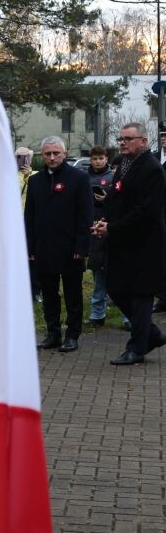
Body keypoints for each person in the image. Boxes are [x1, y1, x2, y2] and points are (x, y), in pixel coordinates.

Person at [92, 122, 166, 365]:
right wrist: (104, 221)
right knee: (116, 289)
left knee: (140, 295)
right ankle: (152, 335)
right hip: (122, 243)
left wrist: (112, 228)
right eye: (121, 139)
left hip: (144, 245)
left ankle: (136, 348)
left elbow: (146, 211)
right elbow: (116, 198)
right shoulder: (124, 165)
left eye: (128, 139)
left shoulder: (151, 169)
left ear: (143, 141)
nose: (122, 143)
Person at [24, 135, 92, 353]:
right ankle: (53, 333)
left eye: (56, 153)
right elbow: (29, 217)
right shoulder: (35, 181)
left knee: (73, 295)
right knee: (49, 294)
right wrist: (30, 247)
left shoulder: (79, 178)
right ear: (42, 155)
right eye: (47, 154)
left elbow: (85, 215)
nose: (52, 158)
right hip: (43, 247)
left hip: (70, 247)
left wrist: (82, 247)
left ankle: (72, 335)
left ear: (65, 153)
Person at [86, 146, 114, 326]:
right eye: (94, 159)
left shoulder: (114, 177)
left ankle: (127, 317)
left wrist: (107, 199)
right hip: (93, 228)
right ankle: (97, 314)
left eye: (100, 158)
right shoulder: (84, 178)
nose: (97, 162)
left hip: (111, 228)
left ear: (106, 159)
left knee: (118, 273)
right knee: (98, 272)